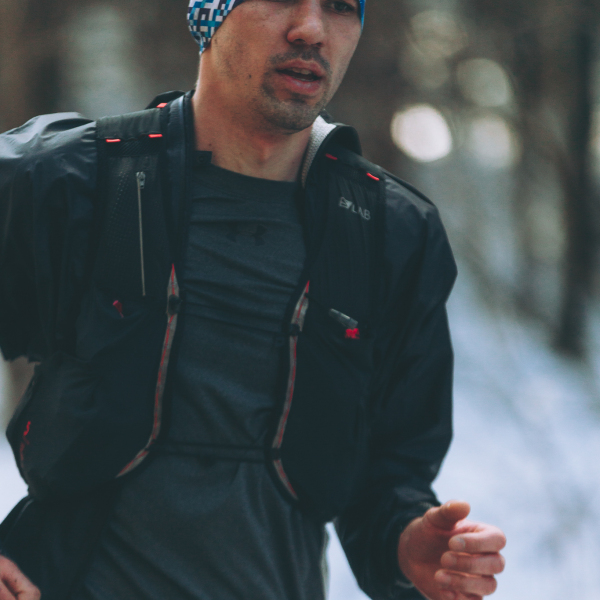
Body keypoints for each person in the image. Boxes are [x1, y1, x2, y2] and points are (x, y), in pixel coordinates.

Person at [0, 1, 506, 599]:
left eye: (341, 6)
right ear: (210, 13)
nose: (311, 29)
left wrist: (409, 545)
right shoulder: (72, 181)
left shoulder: (390, 233)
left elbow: (387, 472)